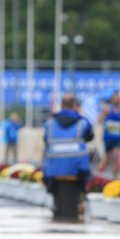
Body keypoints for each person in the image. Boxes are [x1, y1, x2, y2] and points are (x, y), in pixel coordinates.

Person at [42, 93, 94, 221]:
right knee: (85, 177)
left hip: (54, 169)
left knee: (49, 178)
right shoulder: (82, 122)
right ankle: (81, 202)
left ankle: (55, 203)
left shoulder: (49, 123)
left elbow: (46, 140)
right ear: (75, 106)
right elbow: (90, 137)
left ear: (61, 106)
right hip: (77, 168)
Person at [98, 90, 120, 179]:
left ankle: (115, 178)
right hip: (108, 137)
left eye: (118, 98)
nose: (117, 100)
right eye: (115, 98)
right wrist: (106, 124)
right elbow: (99, 119)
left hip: (118, 137)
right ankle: (100, 171)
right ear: (112, 99)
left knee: (116, 157)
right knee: (108, 160)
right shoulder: (108, 109)